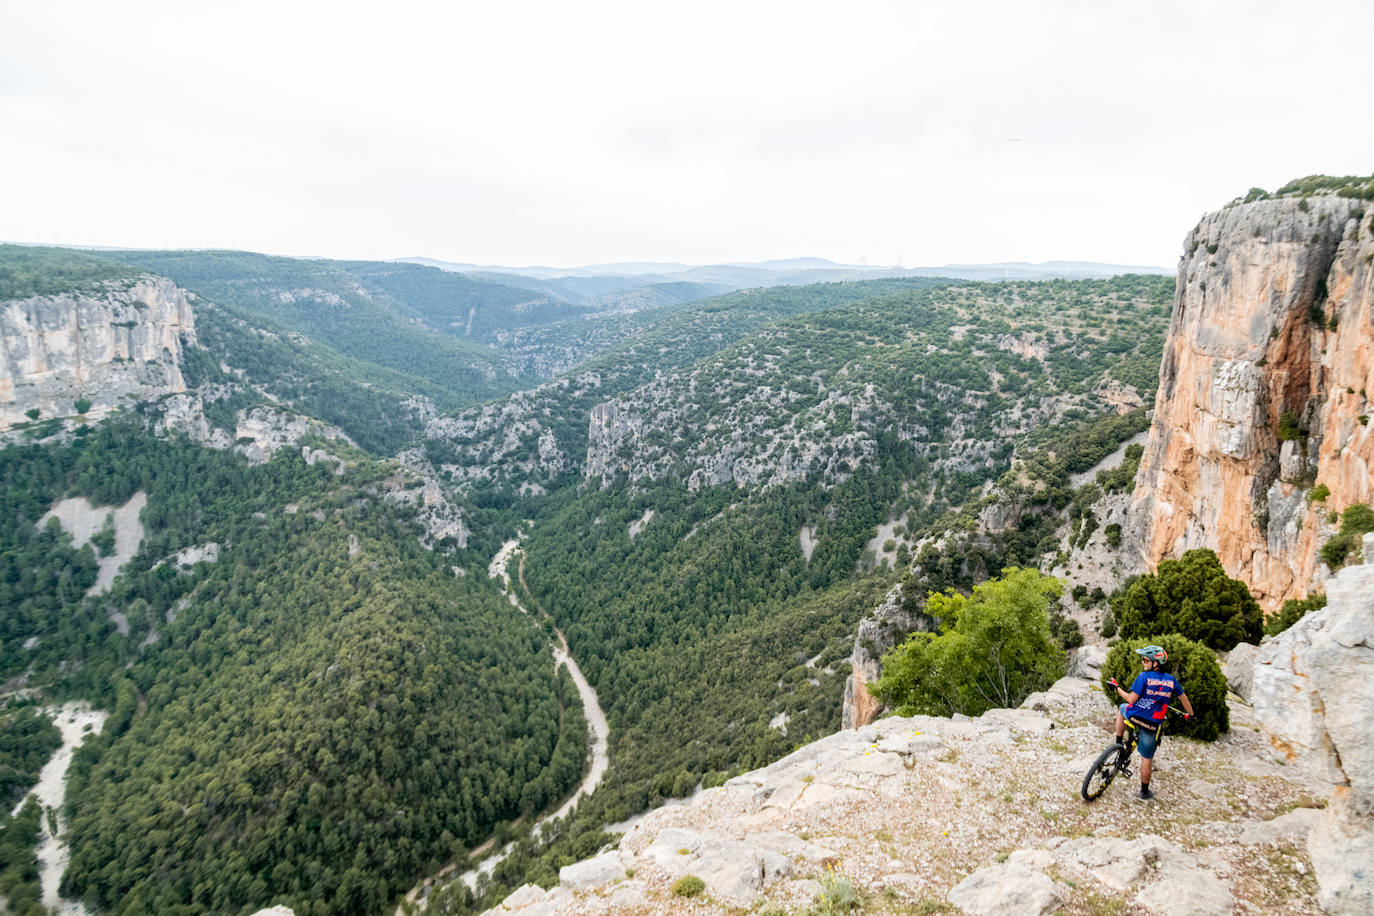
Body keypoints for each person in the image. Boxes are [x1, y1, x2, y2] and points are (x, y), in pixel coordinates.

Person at [1111, 645, 1194, 801]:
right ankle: (1144, 792)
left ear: (1155, 663)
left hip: (1134, 716)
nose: (1143, 662)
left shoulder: (1143, 677)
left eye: (1145, 660)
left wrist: (1117, 688)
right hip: (1152, 724)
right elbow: (1184, 699)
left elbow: (1130, 700)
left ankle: (1117, 743)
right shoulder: (1172, 681)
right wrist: (1190, 714)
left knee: (1122, 709)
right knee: (1147, 759)